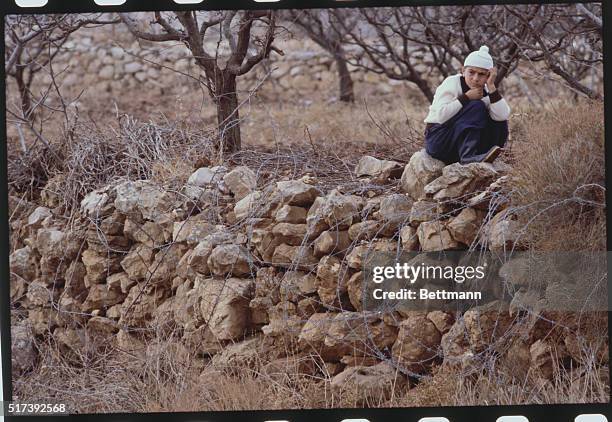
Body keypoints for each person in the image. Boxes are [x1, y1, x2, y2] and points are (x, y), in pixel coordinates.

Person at [423, 45, 511, 165]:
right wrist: (466, 97)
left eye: (481, 74)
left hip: (456, 148)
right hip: (439, 141)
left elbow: (502, 116)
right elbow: (440, 116)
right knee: (476, 106)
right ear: (463, 70)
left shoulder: (486, 90)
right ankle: (468, 156)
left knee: (499, 122)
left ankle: (480, 154)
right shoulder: (452, 82)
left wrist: (491, 86)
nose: (475, 78)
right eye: (471, 72)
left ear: (488, 76)